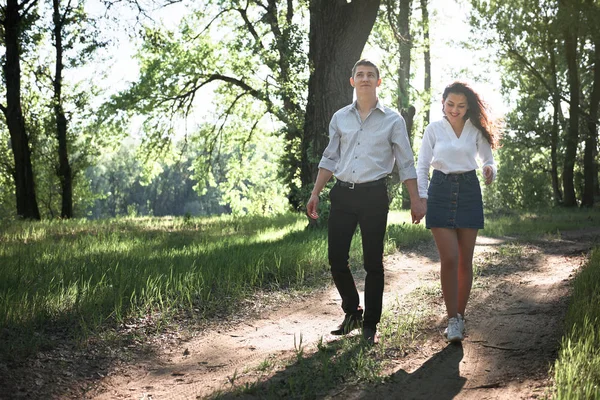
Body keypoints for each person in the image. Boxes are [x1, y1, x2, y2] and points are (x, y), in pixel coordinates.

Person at [306, 59, 426, 345]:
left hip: (374, 195)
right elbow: (330, 158)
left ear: (378, 82)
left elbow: (406, 162)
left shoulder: (393, 120)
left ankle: (370, 324)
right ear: (352, 81)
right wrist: (315, 193)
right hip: (342, 194)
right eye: (359, 74)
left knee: (373, 262)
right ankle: (352, 312)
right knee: (336, 258)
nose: (365, 78)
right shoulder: (340, 118)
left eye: (370, 75)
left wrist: (416, 199)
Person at [416, 81, 501, 343]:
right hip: (439, 190)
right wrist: (421, 198)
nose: (455, 109)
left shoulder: (474, 129)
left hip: (468, 191)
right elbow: (421, 166)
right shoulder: (433, 129)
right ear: (443, 103)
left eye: (461, 105)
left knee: (465, 260)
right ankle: (451, 319)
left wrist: (489, 170)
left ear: (468, 107)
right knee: (450, 258)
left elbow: (488, 160)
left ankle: (460, 316)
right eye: (450, 104)